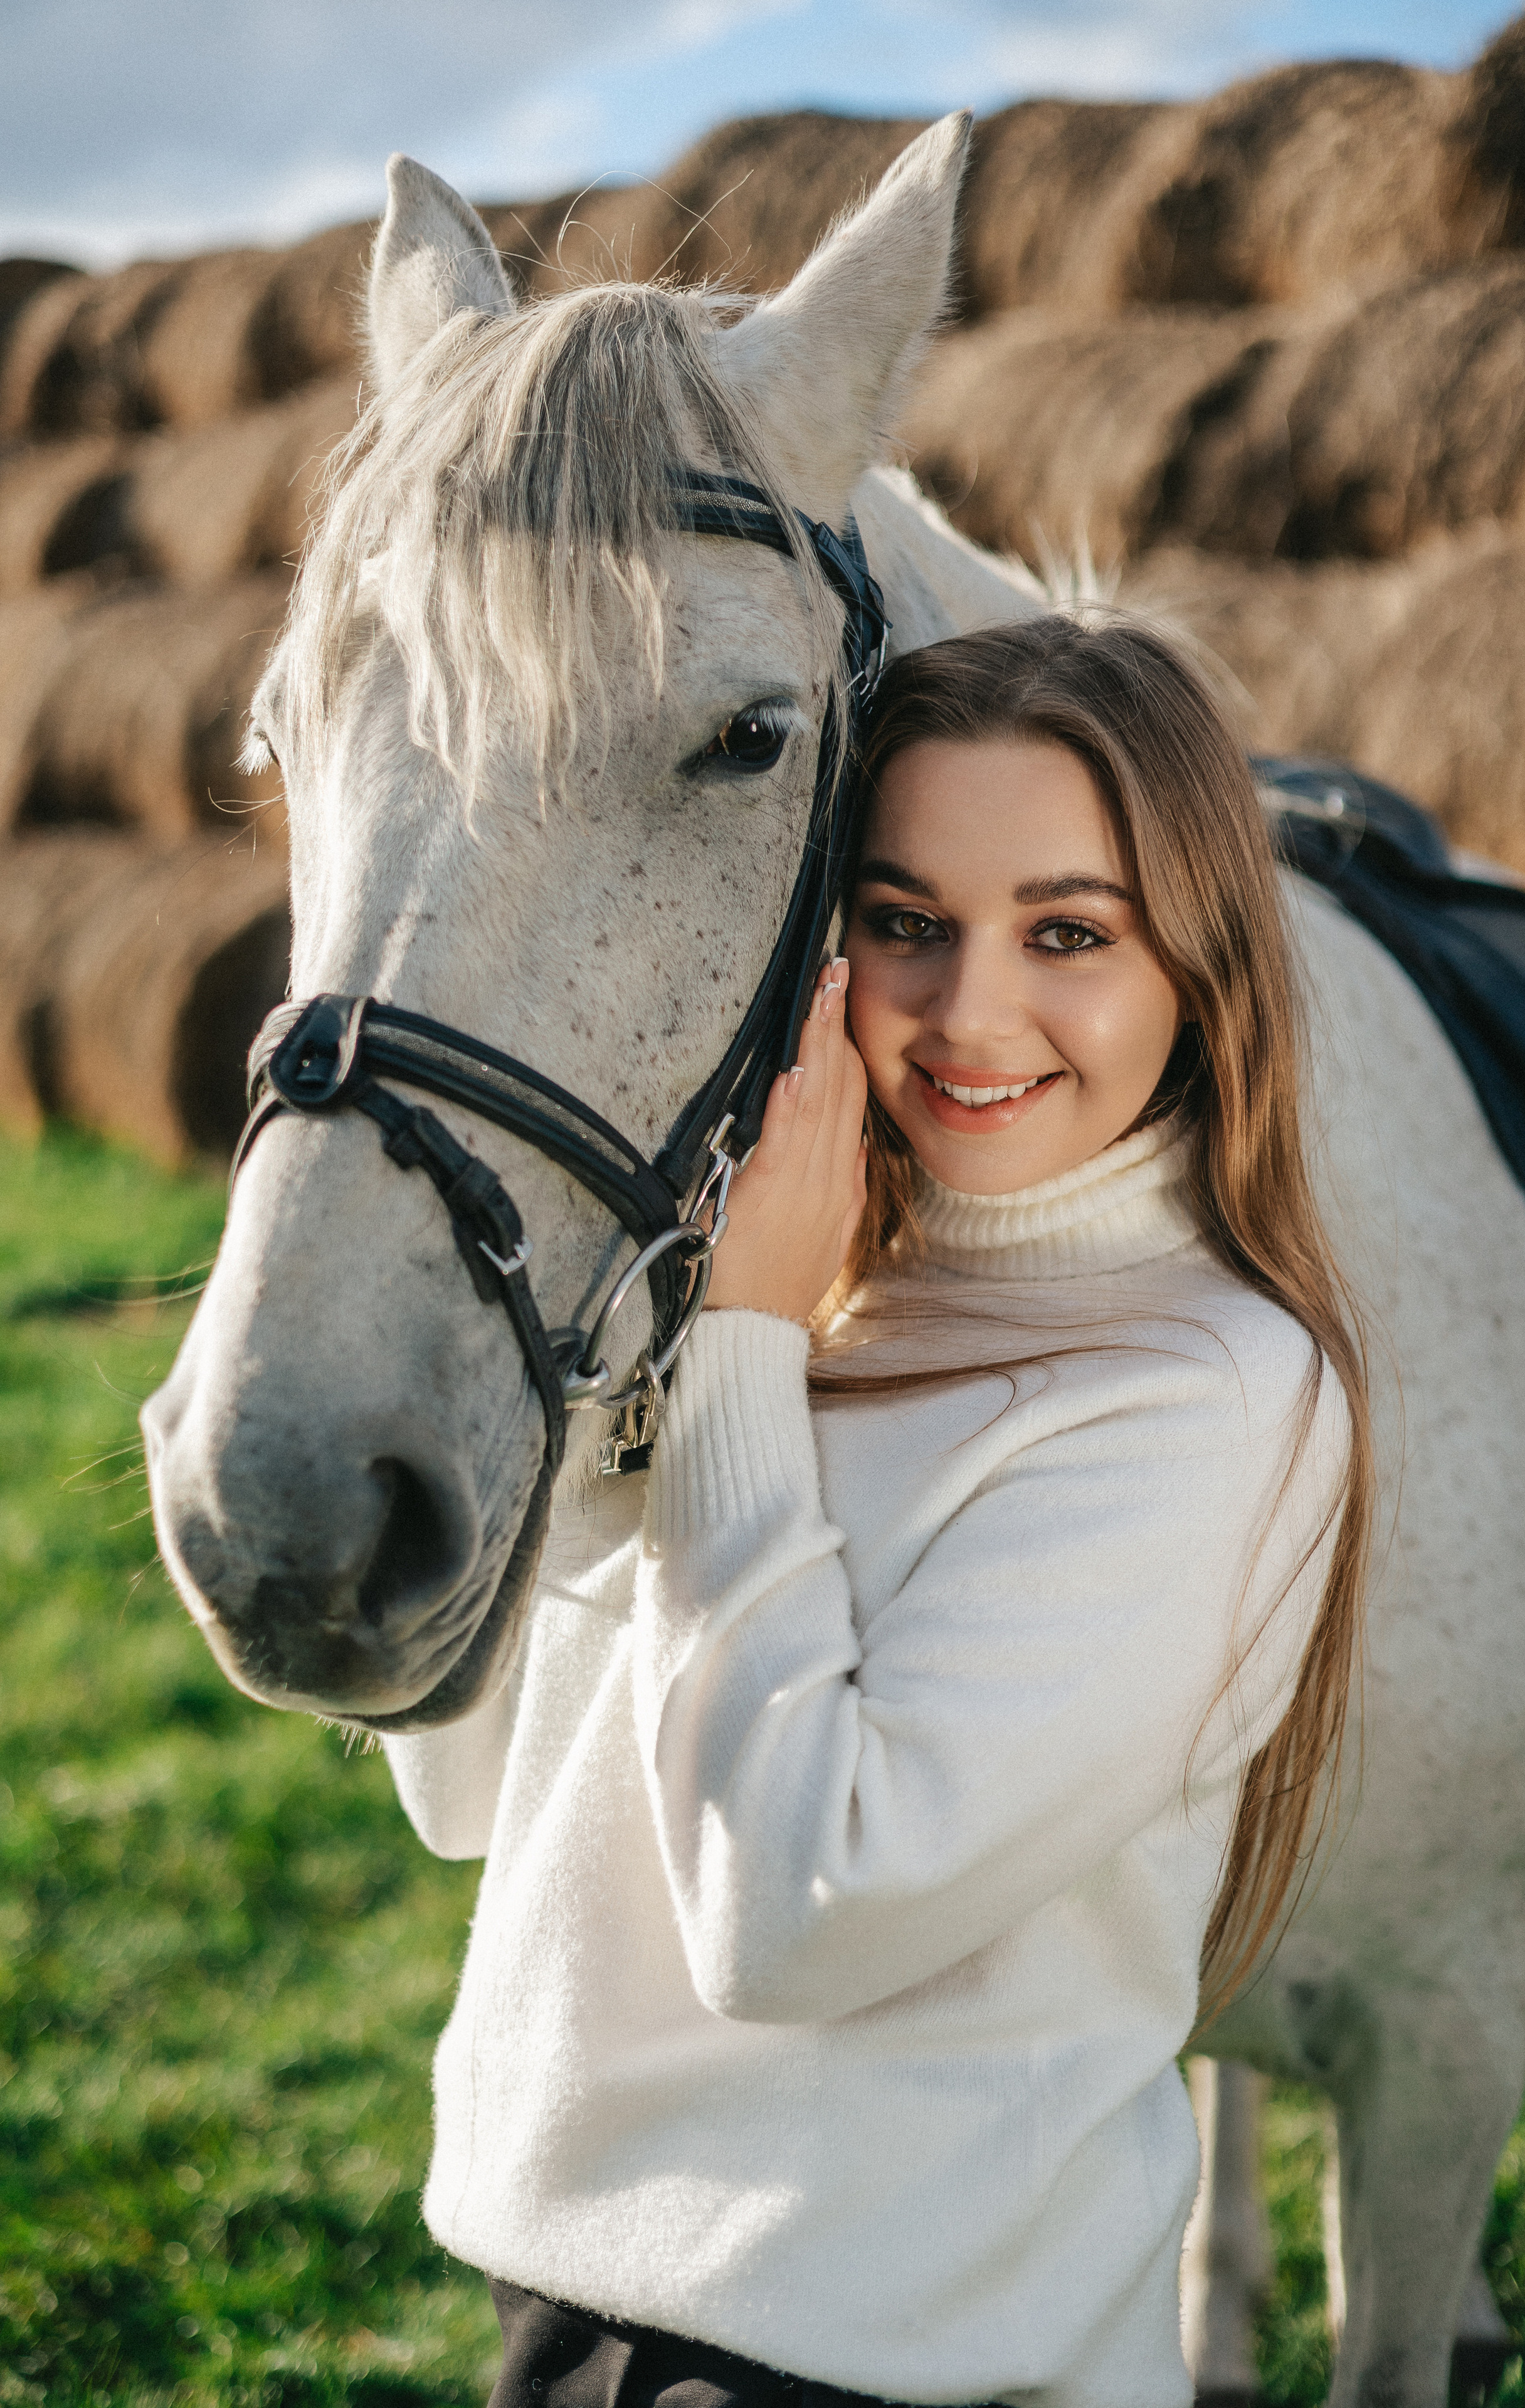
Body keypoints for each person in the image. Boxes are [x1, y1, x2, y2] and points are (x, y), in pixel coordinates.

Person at [383, 611, 1372, 2408]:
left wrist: (742, 1362)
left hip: (884, 2361)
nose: (970, 1011)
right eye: (905, 924)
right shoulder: (793, 1266)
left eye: (1067, 933)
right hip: (576, 2315)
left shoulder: (1205, 1387)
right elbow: (468, 1794)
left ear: (1202, 970)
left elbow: (795, 1911)